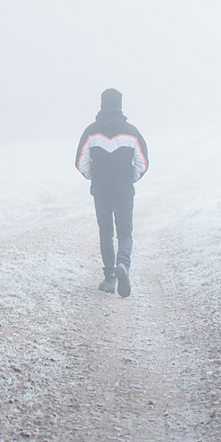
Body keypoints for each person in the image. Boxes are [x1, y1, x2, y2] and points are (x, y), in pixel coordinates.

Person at [75, 88, 148, 298]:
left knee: (105, 233)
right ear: (120, 105)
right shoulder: (132, 132)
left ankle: (109, 278)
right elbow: (142, 164)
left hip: (101, 190)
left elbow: (81, 163)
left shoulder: (90, 131)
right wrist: (129, 178)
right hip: (124, 190)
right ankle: (123, 264)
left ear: (102, 104)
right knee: (125, 233)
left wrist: (94, 177)